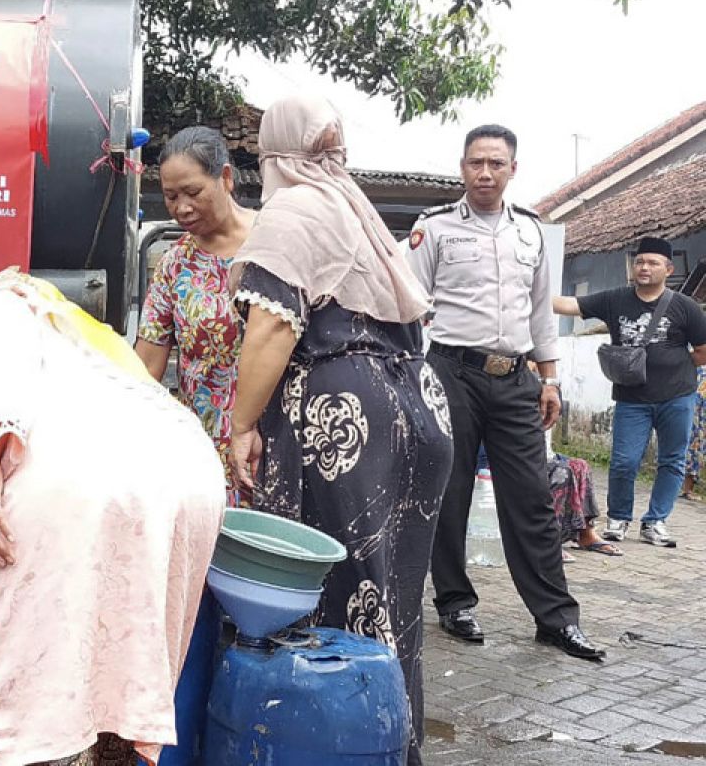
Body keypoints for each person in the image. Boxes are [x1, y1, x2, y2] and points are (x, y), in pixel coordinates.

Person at [227, 94, 453, 766]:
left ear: (277, 152)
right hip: (415, 410)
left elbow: (273, 324)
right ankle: (393, 743)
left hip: (346, 421)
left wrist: (241, 422)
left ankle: (335, 746)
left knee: (337, 590)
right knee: (392, 595)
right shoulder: (357, 210)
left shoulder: (294, 209)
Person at [0, 269, 225, 766]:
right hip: (187, 476)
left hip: (72, 483)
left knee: (31, 711)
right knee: (120, 678)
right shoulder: (91, 341)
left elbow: (2, 355)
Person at [406, 124, 605, 661]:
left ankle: (555, 618)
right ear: (462, 167)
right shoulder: (436, 229)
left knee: (532, 498)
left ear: (513, 169)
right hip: (451, 370)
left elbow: (541, 313)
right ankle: (453, 602)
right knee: (451, 492)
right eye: (476, 162)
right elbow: (406, 301)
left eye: (496, 163)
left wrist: (549, 379)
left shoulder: (530, 232)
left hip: (516, 377)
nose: (485, 172)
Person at [553, 237, 706, 548]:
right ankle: (619, 519)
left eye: (652, 263)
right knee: (624, 461)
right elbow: (572, 305)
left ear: (668, 268)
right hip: (631, 398)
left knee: (672, 460)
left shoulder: (685, 307)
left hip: (677, 396)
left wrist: (676, 367)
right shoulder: (616, 299)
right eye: (640, 262)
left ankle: (656, 521)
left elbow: (703, 350)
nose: (644, 267)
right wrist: (527, 292)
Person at [136, 126, 257, 506]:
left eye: (192, 192)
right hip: (199, 452)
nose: (181, 207)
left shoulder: (273, 246)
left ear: (224, 178)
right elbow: (145, 367)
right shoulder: (176, 266)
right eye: (171, 196)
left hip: (263, 444)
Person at [681, 367, 706, 500]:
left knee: (696, 447)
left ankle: (688, 489)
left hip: (699, 411)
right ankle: (685, 489)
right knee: (690, 444)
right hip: (692, 406)